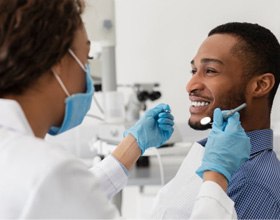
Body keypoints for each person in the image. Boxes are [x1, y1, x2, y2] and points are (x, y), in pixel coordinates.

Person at [0, 1, 250, 218]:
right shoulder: (49, 174)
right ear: (57, 63)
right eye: (87, 59)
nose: (191, 85)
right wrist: (217, 175)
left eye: (211, 71)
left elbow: (61, 201)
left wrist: (133, 145)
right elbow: (59, 193)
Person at [151, 22, 280, 219]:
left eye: (210, 70)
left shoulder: (253, 185)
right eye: (193, 71)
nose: (191, 85)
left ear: (261, 85)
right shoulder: (213, 159)